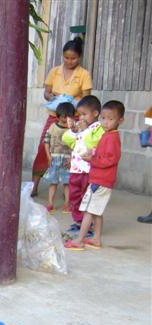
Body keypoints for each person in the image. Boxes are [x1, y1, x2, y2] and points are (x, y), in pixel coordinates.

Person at [32, 37, 92, 197]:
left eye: (73, 58)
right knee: (44, 148)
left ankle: (72, 190)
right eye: (66, 57)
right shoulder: (55, 71)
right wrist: (51, 96)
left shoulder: (84, 74)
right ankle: (34, 185)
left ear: (79, 57)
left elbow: (86, 100)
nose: (69, 61)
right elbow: (46, 92)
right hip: (55, 117)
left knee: (73, 152)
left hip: (74, 119)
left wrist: (72, 102)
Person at [65, 101, 125, 250]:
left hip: (100, 180)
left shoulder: (112, 137)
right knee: (96, 211)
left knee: (88, 211)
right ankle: (96, 239)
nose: (105, 122)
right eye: (103, 118)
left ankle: (79, 240)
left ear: (120, 120)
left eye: (110, 119)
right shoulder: (108, 135)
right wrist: (93, 154)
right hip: (101, 179)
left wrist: (93, 159)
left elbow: (111, 159)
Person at [62, 95, 104, 233]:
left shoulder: (99, 128)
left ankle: (88, 225)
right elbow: (68, 140)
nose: (81, 118)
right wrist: (73, 131)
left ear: (95, 113)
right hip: (76, 169)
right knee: (74, 196)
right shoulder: (81, 128)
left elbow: (92, 143)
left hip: (89, 171)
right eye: (79, 114)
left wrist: (85, 130)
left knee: (86, 198)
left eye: (84, 114)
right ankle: (79, 221)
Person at [42, 102, 75, 212]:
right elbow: (46, 142)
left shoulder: (74, 129)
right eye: (63, 117)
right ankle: (50, 203)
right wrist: (48, 157)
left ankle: (67, 204)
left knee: (67, 183)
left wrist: (72, 159)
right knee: (53, 182)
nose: (65, 120)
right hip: (54, 158)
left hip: (68, 160)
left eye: (68, 117)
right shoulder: (52, 127)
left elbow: (77, 144)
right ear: (58, 116)